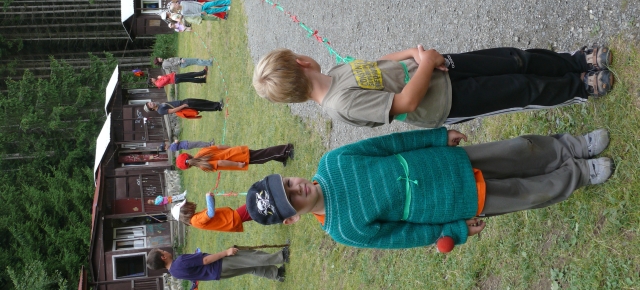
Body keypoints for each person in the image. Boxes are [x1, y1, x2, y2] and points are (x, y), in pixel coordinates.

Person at [246, 128, 613, 251]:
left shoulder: (333, 162)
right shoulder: (345, 230)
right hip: (449, 202)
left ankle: (573, 147)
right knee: (526, 193)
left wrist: (437, 137)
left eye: (288, 183)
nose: (297, 189)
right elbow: (403, 236)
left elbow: (388, 144)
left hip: (444, 161)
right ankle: (579, 173)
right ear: (292, 219)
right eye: (291, 199)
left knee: (516, 151)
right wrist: (452, 230)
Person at [252, 45, 613, 128]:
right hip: (446, 101)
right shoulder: (340, 104)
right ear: (301, 63)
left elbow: (380, 65)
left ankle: (575, 62)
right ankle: (580, 87)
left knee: (514, 60)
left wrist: (413, 53)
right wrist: (424, 64)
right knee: (520, 89)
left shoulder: (334, 72)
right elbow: (406, 103)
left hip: (440, 67)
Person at [146, 246, 288, 282]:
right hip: (219, 264)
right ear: (163, 257)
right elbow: (205, 260)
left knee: (250, 268)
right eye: (163, 251)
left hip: (219, 274)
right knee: (250, 258)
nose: (165, 251)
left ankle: (277, 274)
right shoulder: (180, 261)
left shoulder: (174, 273)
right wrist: (226, 252)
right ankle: (281, 256)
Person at [175, 143, 294, 171]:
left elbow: (221, 162)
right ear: (188, 155)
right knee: (262, 154)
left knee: (263, 156)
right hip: (236, 152)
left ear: (188, 167)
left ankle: (286, 149)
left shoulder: (203, 165)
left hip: (238, 159)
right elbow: (220, 146)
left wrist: (237, 164)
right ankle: (282, 157)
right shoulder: (201, 152)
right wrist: (233, 149)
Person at [173, 193, 253, 233]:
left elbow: (212, 210)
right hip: (232, 219)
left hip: (232, 218)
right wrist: (208, 198)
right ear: (185, 211)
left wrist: (212, 198)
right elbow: (210, 213)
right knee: (253, 203)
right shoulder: (195, 220)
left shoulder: (194, 219)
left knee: (255, 212)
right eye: (186, 205)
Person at [144, 99, 223, 119]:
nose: (151, 103)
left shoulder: (159, 105)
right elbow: (173, 110)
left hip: (183, 103)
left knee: (201, 102)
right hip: (184, 105)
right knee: (201, 106)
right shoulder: (160, 111)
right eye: (150, 105)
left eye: (150, 103)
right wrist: (183, 106)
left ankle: (217, 104)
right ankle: (218, 106)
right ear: (151, 109)